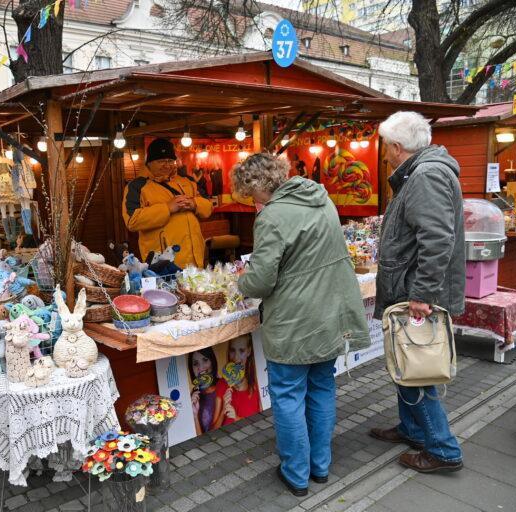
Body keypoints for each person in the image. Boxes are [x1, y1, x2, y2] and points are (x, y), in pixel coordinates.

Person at [234, 153, 370, 497]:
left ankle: (296, 472)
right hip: (331, 314)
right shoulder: (321, 199)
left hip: (295, 320)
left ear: (257, 186)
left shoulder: (273, 216)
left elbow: (262, 281)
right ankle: (319, 466)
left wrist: (242, 282)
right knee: (322, 387)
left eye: (249, 194)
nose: (251, 201)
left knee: (289, 394)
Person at [369, 111, 465, 474]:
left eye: (385, 148)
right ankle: (412, 430)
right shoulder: (423, 173)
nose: (384, 155)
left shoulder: (426, 176)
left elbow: (437, 240)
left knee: (418, 370)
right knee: (406, 364)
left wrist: (422, 295)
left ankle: (442, 449)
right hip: (411, 288)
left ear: (396, 147)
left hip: (417, 294)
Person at [122, 138, 213, 268]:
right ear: (150, 162)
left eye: (170, 160)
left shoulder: (187, 181)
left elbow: (208, 207)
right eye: (161, 161)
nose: (167, 165)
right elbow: (132, 220)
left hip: (196, 259)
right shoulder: (137, 186)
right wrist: (167, 208)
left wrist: (194, 204)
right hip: (163, 262)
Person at [221, 335, 261, 426]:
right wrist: (223, 409)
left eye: (241, 351)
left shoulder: (257, 386)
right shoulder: (222, 385)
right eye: (232, 350)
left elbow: (260, 424)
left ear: (249, 351)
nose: (236, 357)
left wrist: (236, 418)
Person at [188, 347, 226, 435]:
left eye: (205, 360)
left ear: (212, 361)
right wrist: (194, 415)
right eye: (195, 363)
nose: (201, 367)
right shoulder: (194, 396)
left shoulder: (223, 385)